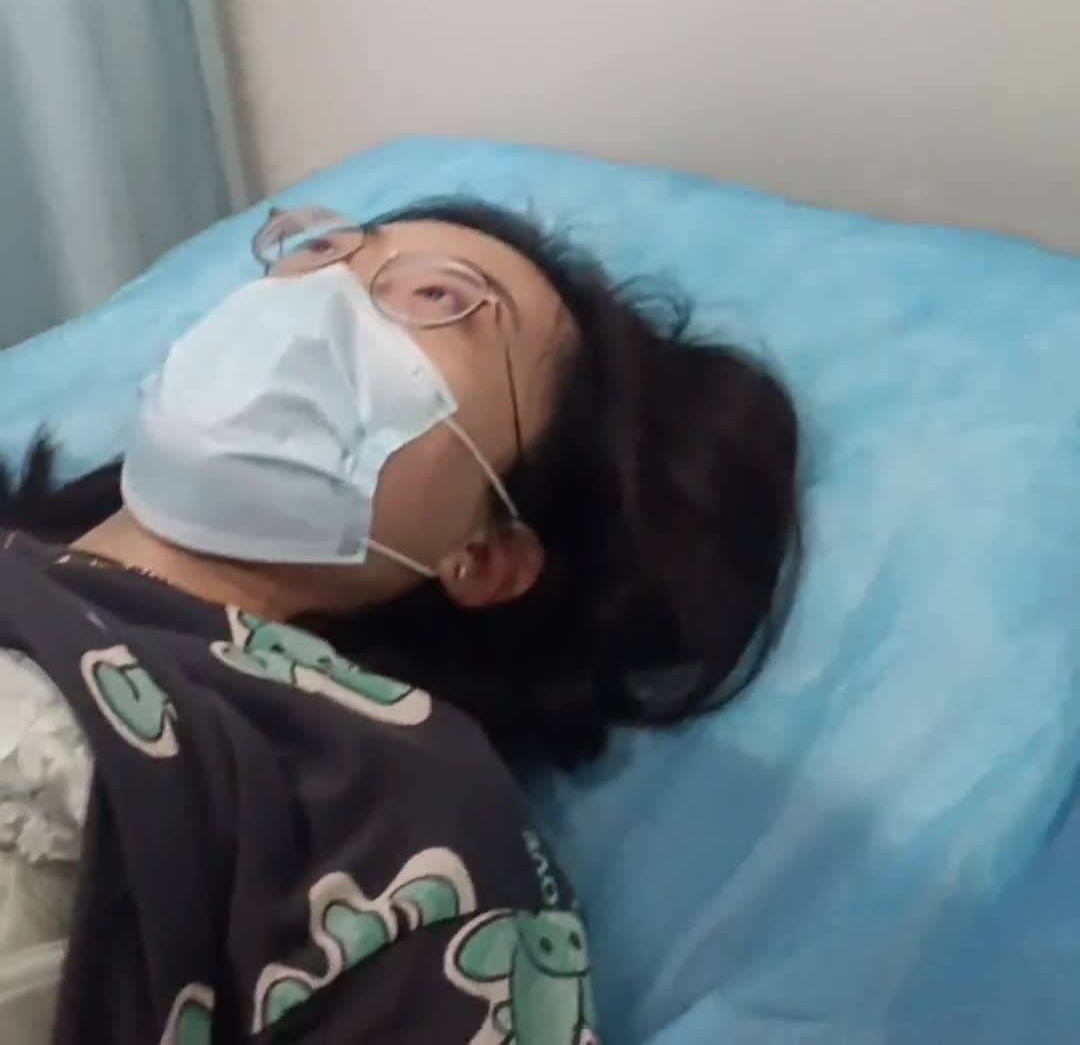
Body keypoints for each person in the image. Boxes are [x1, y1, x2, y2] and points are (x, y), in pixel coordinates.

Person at [0, 197, 801, 1044]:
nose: (324, 294)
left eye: (437, 298)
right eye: (320, 250)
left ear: (484, 555)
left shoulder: (376, 800)